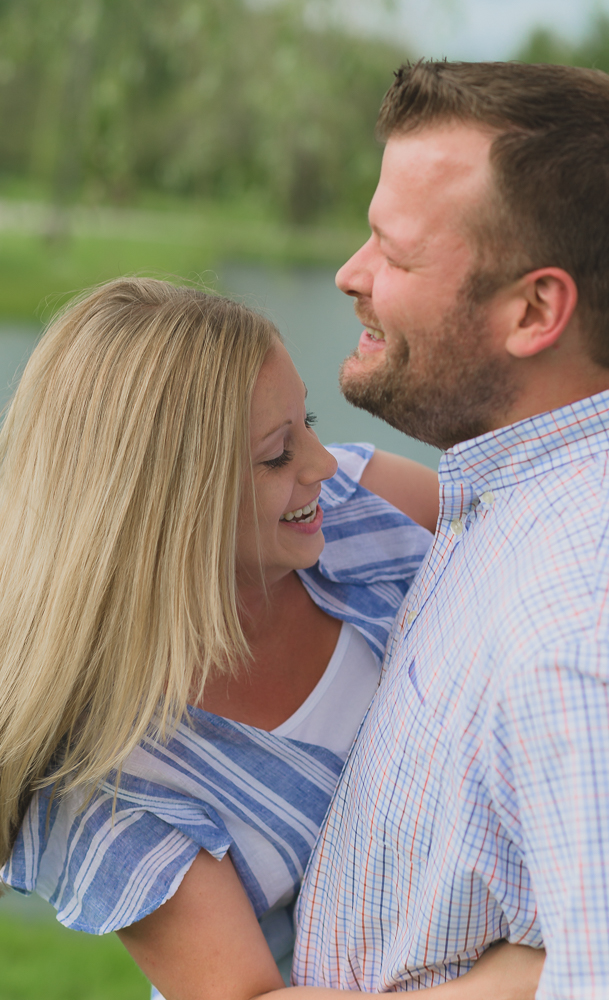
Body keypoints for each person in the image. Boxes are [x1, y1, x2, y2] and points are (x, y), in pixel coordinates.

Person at [0, 277, 543, 999]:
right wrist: (529, 976)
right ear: (164, 501)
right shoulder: (106, 779)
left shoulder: (365, 508)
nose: (323, 464)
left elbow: (547, 561)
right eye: (274, 455)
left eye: (309, 422)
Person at [292, 60, 609, 998]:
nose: (351, 275)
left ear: (534, 309)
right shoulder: (500, 507)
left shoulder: (573, 631)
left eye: (394, 254)